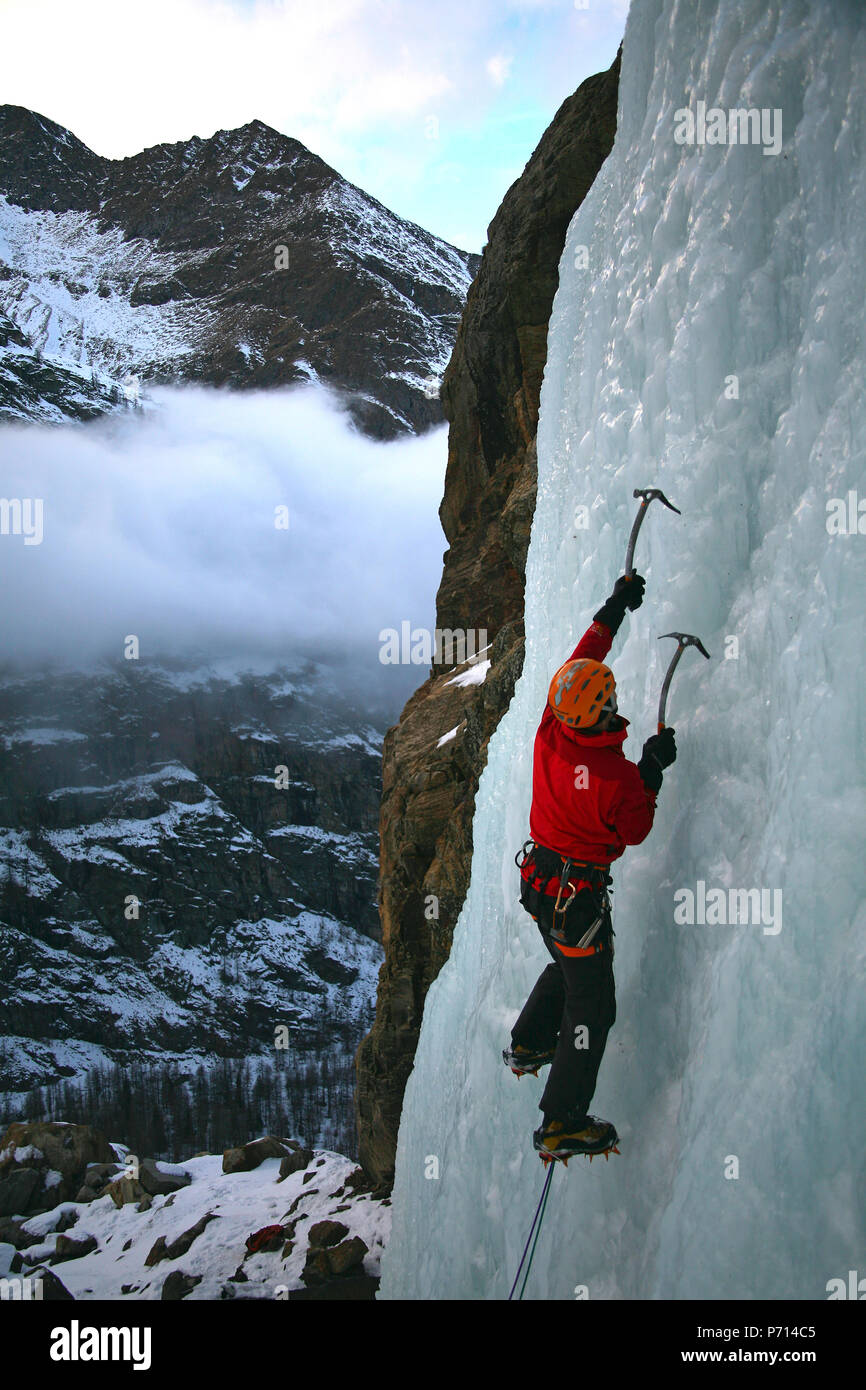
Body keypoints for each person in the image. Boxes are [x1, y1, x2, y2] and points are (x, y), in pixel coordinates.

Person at [504, 572, 677, 1161]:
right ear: (600, 709)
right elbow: (635, 829)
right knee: (593, 1003)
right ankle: (562, 1121)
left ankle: (528, 1044)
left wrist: (615, 606)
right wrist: (652, 769)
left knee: (567, 965)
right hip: (574, 899)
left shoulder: (553, 727)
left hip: (540, 889)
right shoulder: (613, 778)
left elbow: (585, 654)